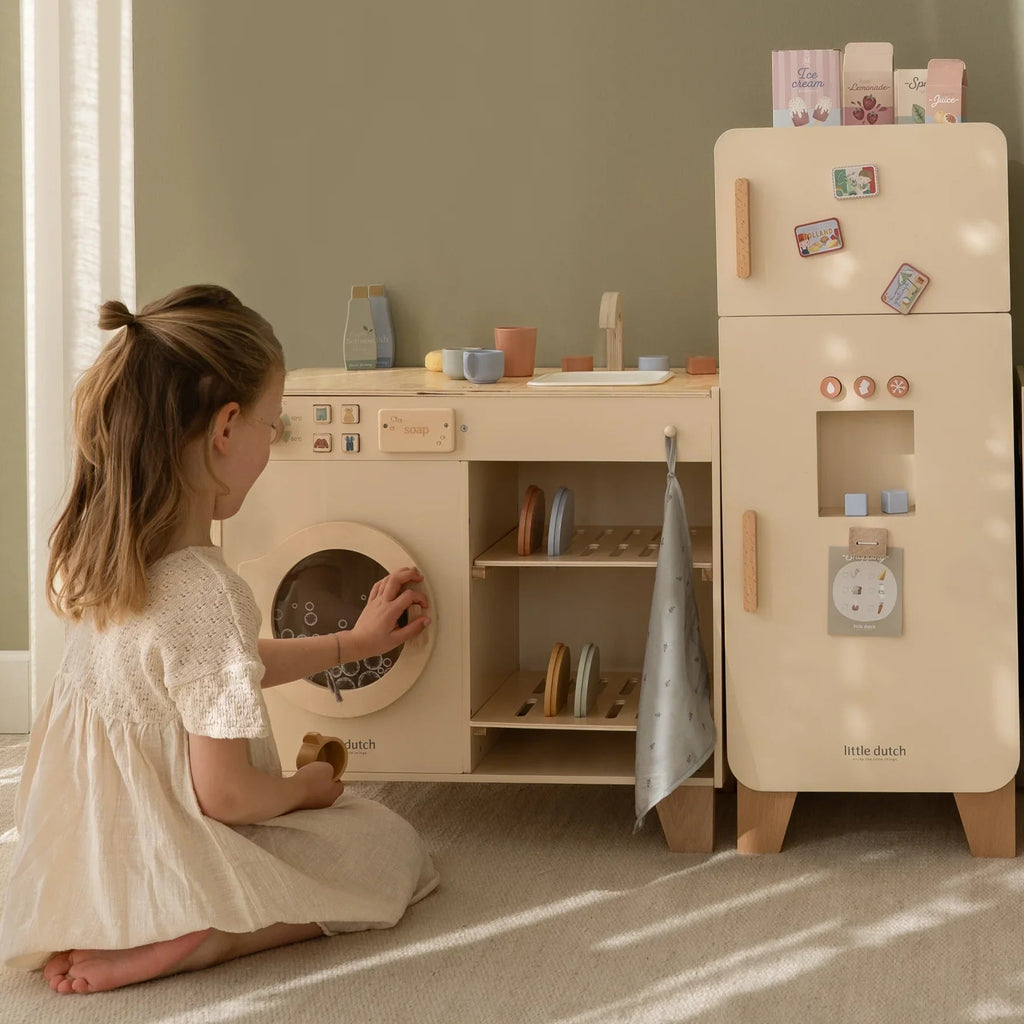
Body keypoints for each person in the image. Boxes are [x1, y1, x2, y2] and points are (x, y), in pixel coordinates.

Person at [0, 285, 439, 994]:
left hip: (90, 860)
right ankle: (210, 936)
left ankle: (140, 921)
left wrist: (351, 644)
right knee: (389, 847)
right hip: (177, 843)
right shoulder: (208, 591)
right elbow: (227, 796)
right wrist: (306, 789)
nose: (271, 444)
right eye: (274, 425)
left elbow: (212, 674)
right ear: (227, 429)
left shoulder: (115, 558)